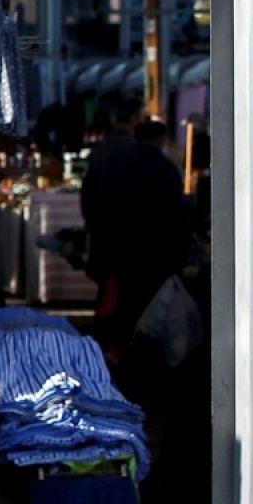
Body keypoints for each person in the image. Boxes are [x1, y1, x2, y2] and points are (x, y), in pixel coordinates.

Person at [80, 95, 189, 365]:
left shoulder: (105, 150)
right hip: (146, 244)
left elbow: (90, 198)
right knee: (136, 302)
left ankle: (110, 350)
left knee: (113, 299)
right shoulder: (158, 166)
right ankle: (131, 352)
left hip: (115, 239)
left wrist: (97, 230)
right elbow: (176, 210)